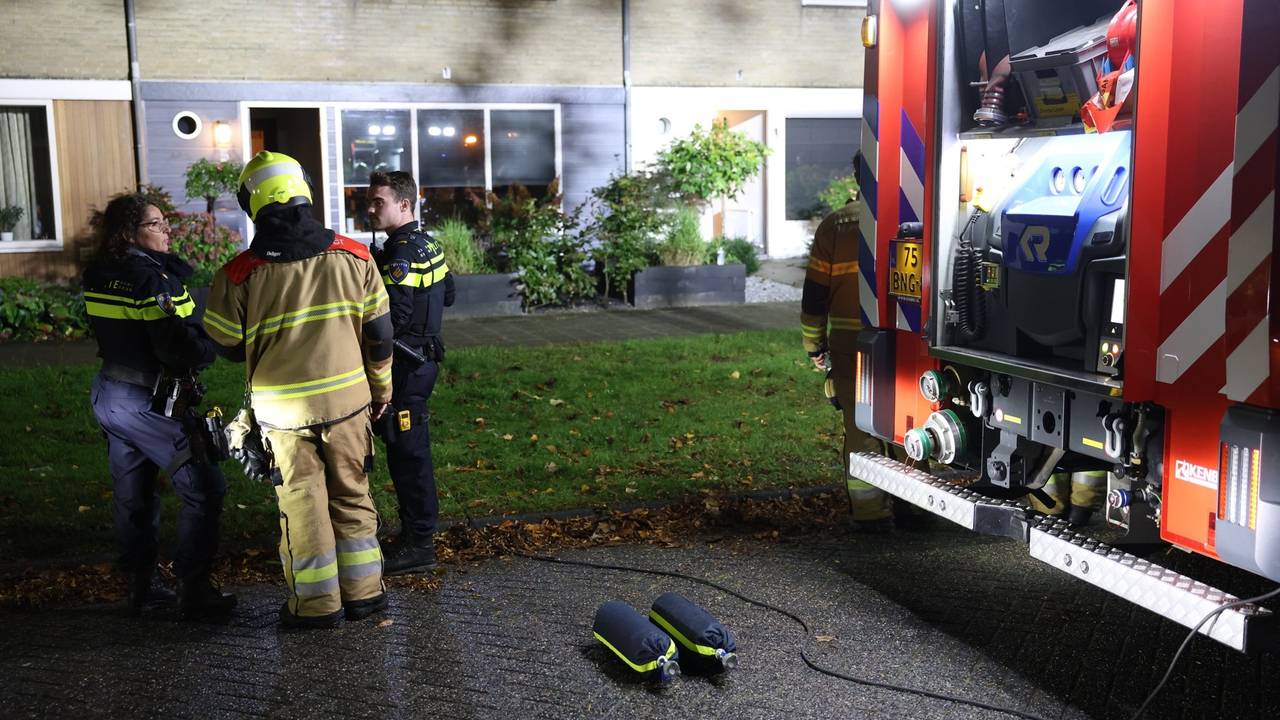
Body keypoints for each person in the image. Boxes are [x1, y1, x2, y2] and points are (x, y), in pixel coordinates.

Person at [203, 151, 394, 629]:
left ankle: (315, 607)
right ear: (303, 190)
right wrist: (382, 389)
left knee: (302, 507)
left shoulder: (238, 273)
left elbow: (224, 343)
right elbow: (381, 335)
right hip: (350, 405)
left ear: (253, 203)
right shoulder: (356, 255)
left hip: (283, 417)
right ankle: (366, 596)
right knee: (352, 495)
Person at [83, 192, 236, 619]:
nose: (167, 230)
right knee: (205, 486)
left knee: (134, 494)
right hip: (148, 402)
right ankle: (194, 588)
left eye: (166, 223)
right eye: (155, 224)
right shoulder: (154, 281)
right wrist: (210, 346)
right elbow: (178, 348)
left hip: (109, 395)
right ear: (128, 232)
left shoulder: (98, 272)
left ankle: (141, 586)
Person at [365, 171, 455, 574]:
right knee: (406, 449)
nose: (370, 208)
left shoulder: (399, 253)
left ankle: (419, 542)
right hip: (424, 359)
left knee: (408, 454)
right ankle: (414, 535)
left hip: (407, 366)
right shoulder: (427, 243)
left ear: (404, 204)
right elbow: (449, 293)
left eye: (377, 201)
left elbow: (393, 318)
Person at [800, 154, 894, 531]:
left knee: (861, 427)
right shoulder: (918, 215)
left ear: (856, 176)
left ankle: (870, 513)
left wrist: (813, 345)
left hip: (848, 344)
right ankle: (918, 509)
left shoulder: (835, 225)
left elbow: (814, 296)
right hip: (903, 343)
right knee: (909, 425)